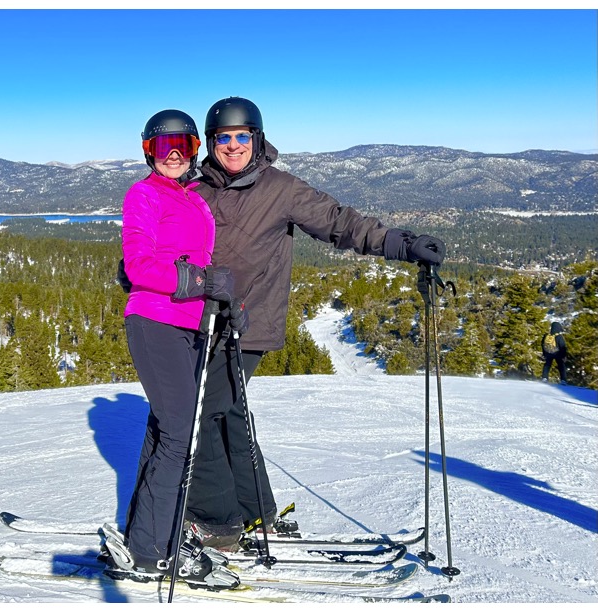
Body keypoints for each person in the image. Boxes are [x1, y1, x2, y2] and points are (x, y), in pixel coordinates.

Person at [178, 96, 447, 551]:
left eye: (242, 136)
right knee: (230, 416)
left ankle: (215, 523)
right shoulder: (194, 189)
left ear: (257, 140)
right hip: (197, 321)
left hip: (248, 323)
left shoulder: (281, 188)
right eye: (223, 137)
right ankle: (256, 513)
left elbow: (340, 223)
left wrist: (403, 245)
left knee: (197, 415)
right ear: (210, 143)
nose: (233, 145)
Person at [103, 109, 240, 588]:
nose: (176, 153)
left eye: (183, 143)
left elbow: (194, 264)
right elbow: (139, 267)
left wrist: (219, 300)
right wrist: (201, 281)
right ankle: (151, 549)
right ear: (149, 152)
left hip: (189, 324)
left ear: (196, 147)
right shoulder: (142, 194)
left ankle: (148, 532)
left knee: (168, 432)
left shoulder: (193, 197)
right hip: (154, 321)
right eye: (165, 146)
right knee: (179, 434)